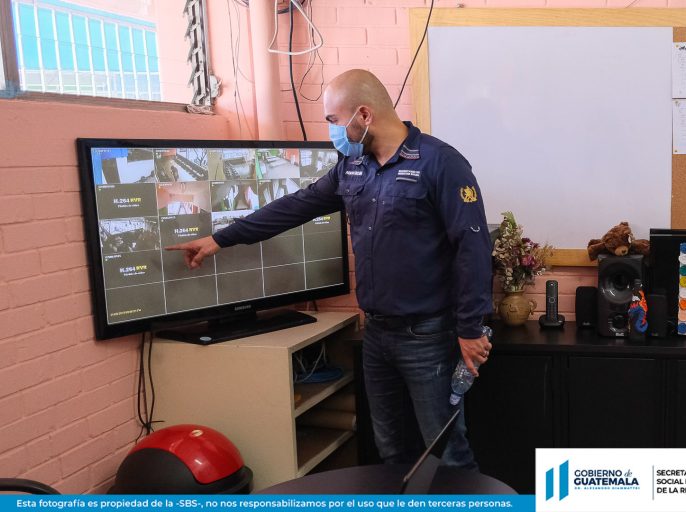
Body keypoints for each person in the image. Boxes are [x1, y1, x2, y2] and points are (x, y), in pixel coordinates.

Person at [166, 69, 493, 469]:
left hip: (427, 336)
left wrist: (470, 329)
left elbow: (473, 249)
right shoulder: (352, 166)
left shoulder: (441, 163)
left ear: (364, 115)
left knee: (447, 453)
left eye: (334, 120)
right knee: (390, 448)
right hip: (376, 334)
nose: (332, 131)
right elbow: (295, 206)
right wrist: (220, 239)